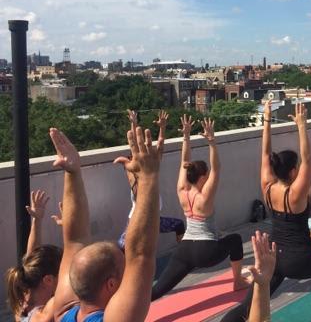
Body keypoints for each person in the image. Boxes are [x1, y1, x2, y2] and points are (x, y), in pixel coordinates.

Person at [221, 101, 311, 322]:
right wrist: (301, 126)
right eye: (297, 167)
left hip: (273, 258)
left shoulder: (268, 187)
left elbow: (264, 153)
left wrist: (267, 120)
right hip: (298, 260)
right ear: (293, 171)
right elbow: (309, 160)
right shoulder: (295, 195)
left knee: (247, 306)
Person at [50, 122, 162, 322]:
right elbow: (140, 256)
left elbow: (75, 239)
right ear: (111, 285)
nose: (128, 268)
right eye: (123, 268)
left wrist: (73, 172)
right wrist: (148, 177)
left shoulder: (62, 312)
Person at [151, 115, 249, 300]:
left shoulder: (181, 190)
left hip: (184, 250)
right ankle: (237, 281)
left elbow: (184, 162)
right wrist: (212, 142)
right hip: (206, 252)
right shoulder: (204, 197)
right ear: (203, 177)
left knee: (157, 290)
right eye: (207, 174)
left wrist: (186, 136)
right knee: (235, 240)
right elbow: (217, 168)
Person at [118, 110, 185, 250]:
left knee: (179, 225)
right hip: (139, 220)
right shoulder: (134, 175)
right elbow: (136, 145)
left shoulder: (151, 169)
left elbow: (159, 146)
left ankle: (184, 254)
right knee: (124, 246)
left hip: (154, 221)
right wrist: (134, 123)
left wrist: (162, 127)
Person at [5, 190, 62, 322]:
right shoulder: (48, 314)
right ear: (48, 280)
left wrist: (37, 219)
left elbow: (33, 260)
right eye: (62, 271)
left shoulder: (22, 305)